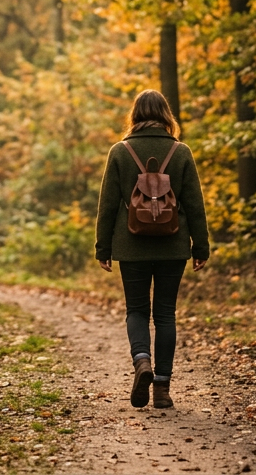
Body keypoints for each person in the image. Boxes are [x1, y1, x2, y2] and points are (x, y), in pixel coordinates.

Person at [94, 89, 209, 409]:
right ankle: (162, 389)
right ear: (165, 115)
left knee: (137, 310)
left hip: (131, 246)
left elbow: (107, 205)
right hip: (173, 245)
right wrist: (201, 246)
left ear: (135, 115)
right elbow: (194, 204)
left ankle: (142, 361)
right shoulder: (181, 152)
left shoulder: (119, 152)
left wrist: (103, 247)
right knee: (165, 314)